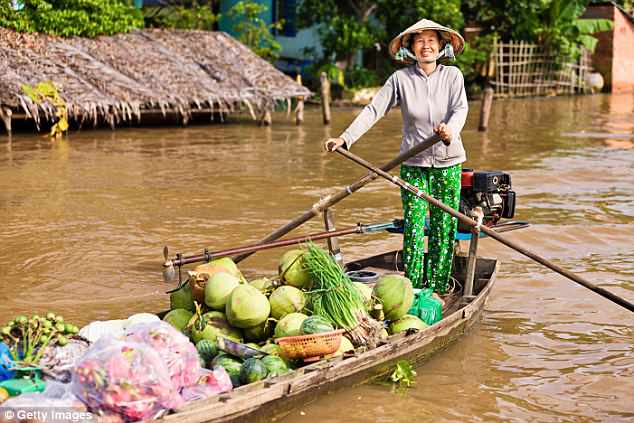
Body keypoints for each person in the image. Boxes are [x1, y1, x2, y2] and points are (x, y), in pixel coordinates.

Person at [324, 19, 468, 294]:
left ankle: (437, 289)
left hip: (448, 163)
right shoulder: (401, 80)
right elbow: (373, 110)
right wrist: (345, 138)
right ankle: (412, 288)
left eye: (431, 41)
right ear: (411, 48)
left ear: (441, 46)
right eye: (419, 41)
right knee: (413, 227)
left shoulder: (453, 76)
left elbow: (460, 109)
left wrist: (450, 131)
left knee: (443, 226)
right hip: (413, 164)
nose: (426, 46)